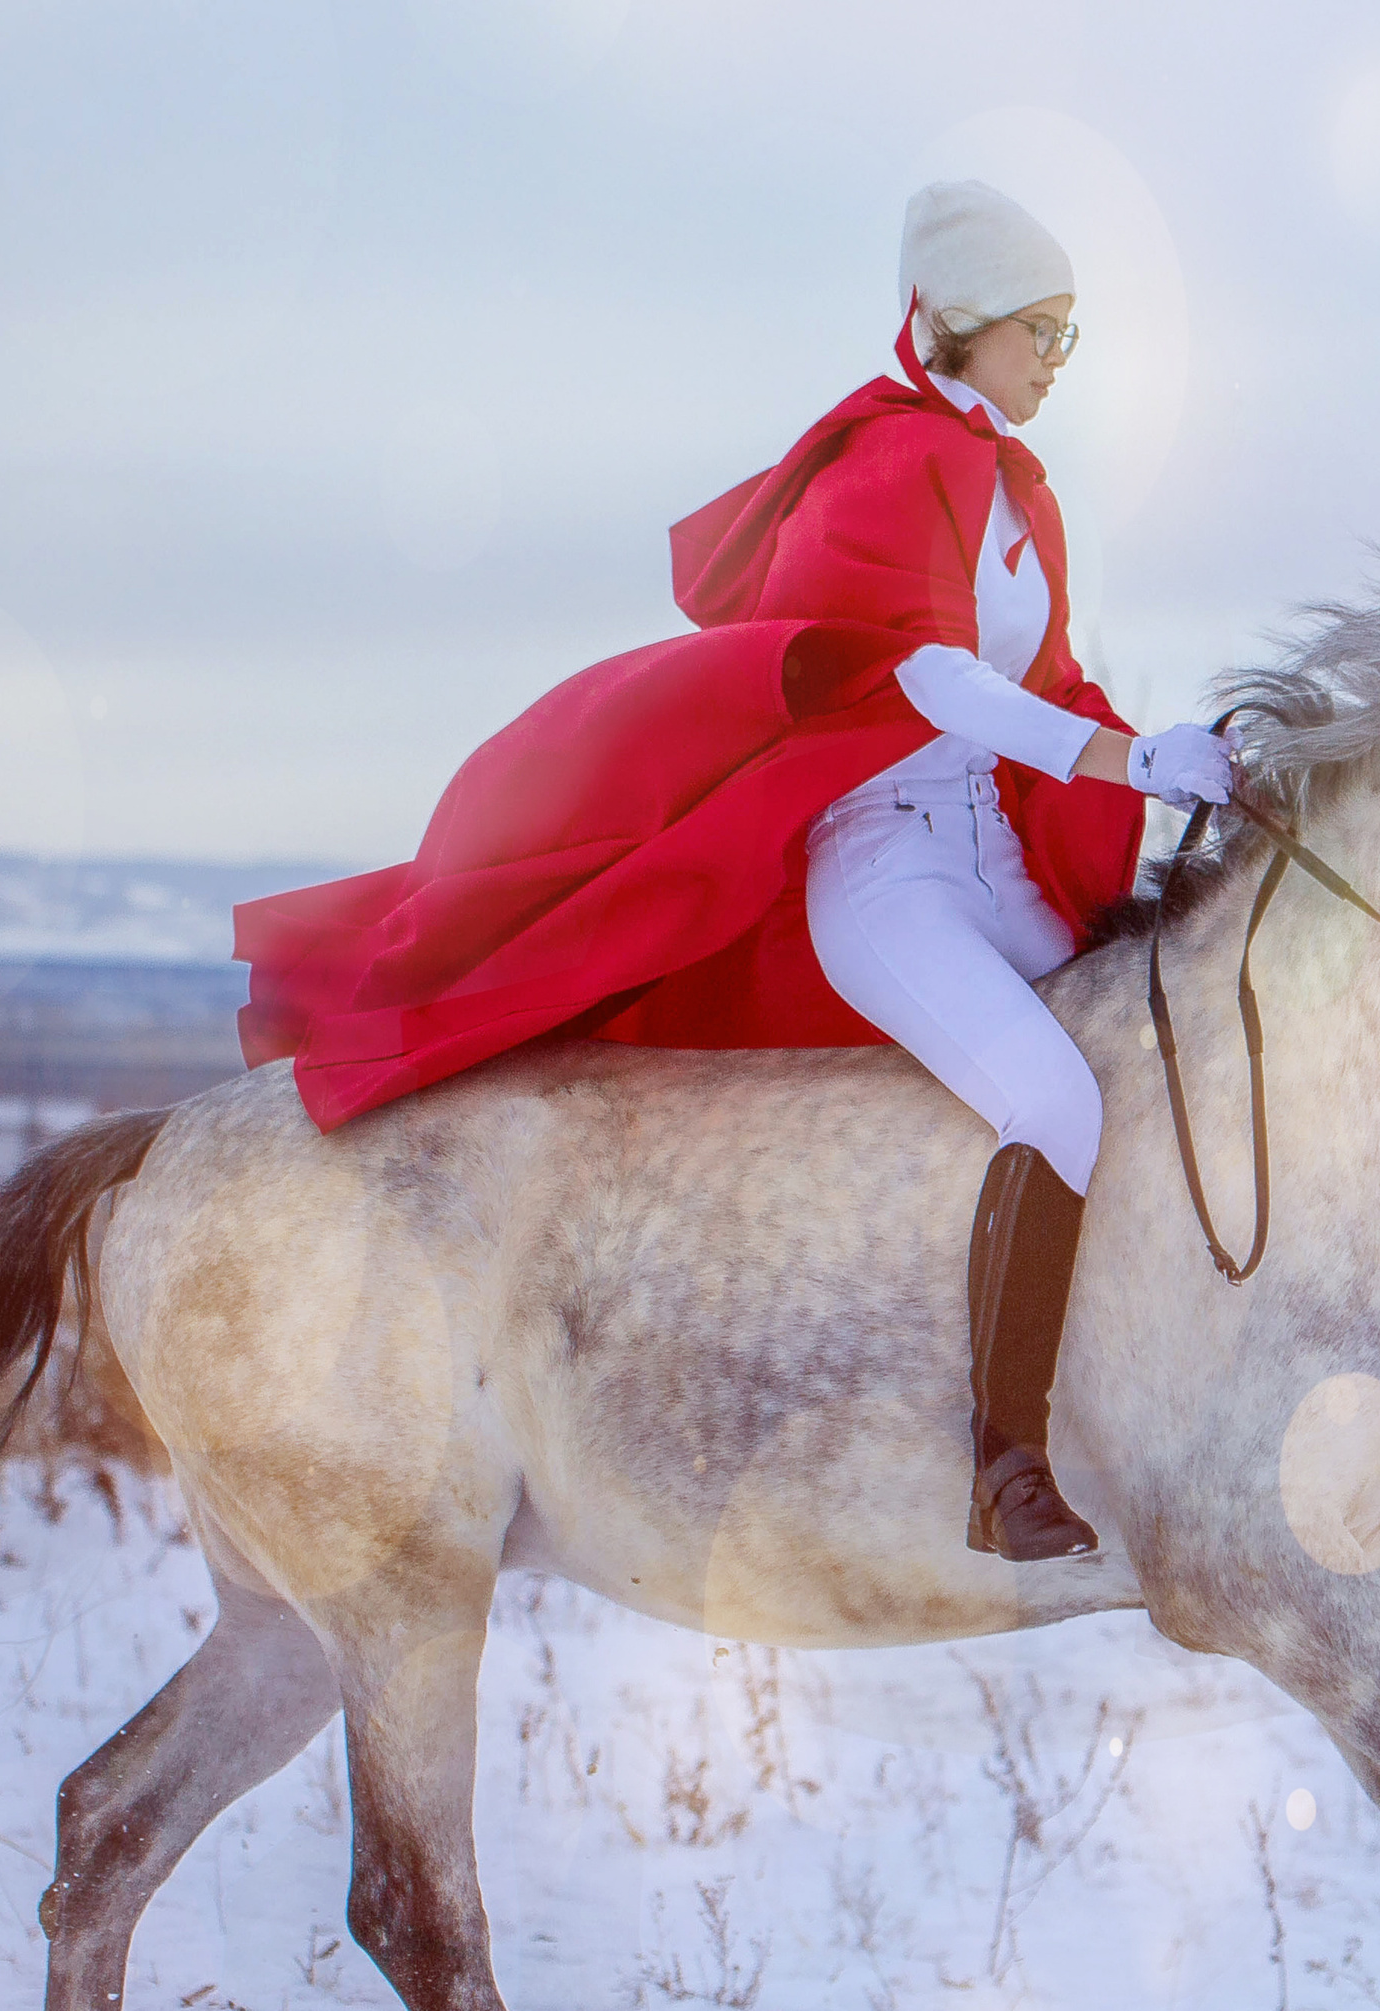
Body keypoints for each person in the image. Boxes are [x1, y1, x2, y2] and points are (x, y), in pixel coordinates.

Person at [235, 181, 1237, 1562]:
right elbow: (929, 674)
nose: (1060, 362)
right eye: (1043, 333)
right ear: (961, 322)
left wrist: (1196, 755)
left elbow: (1049, 679)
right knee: (1056, 1100)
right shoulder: (894, 460)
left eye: (1074, 337)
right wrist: (1125, 766)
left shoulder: (1021, 494)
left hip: (992, 859)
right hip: (889, 879)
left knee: (1133, 1070)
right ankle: (1003, 1468)